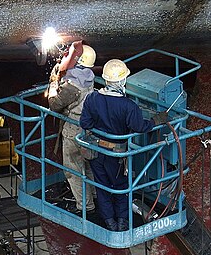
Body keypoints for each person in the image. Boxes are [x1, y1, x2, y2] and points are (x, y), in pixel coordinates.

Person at [80, 58, 169, 231]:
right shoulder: (128, 106)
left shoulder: (92, 98)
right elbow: (140, 127)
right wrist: (157, 120)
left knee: (102, 186)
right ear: (122, 80)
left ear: (106, 79)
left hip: (96, 151)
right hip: (117, 154)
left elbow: (85, 123)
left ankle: (109, 221)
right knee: (121, 186)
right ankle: (122, 220)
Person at [48, 42, 97, 215]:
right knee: (88, 165)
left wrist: (54, 85)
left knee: (73, 169)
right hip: (88, 128)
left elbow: (55, 105)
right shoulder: (88, 77)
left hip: (73, 130)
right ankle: (95, 196)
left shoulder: (72, 86)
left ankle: (85, 206)